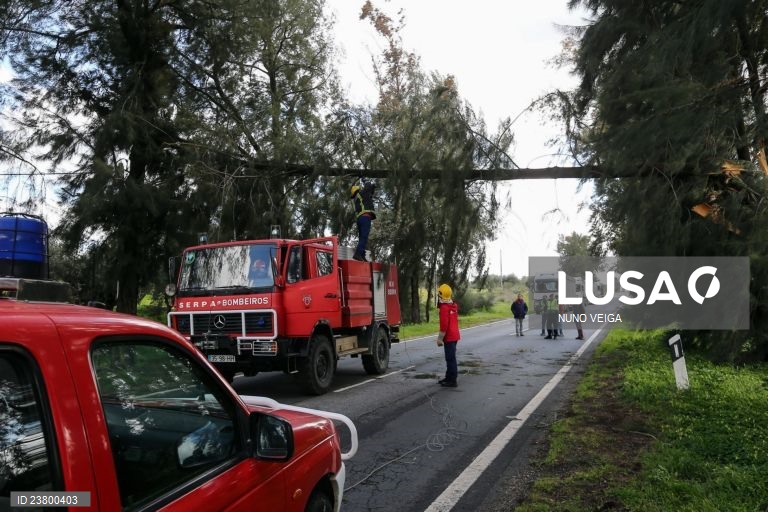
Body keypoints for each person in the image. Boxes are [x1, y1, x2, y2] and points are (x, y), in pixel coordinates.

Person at [436, 283, 460, 388]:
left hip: (449, 336)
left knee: (450, 359)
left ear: (441, 294)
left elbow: (444, 325)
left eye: (439, 294)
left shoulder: (444, 308)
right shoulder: (453, 305)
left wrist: (439, 339)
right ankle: (448, 377)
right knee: (450, 358)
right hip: (455, 335)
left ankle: (452, 380)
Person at [349, 178, 376, 261]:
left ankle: (362, 254)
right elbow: (368, 186)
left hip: (360, 219)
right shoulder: (362, 193)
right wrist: (364, 180)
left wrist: (373, 187)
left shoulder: (357, 198)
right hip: (365, 218)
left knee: (362, 238)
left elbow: (370, 193)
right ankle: (357, 254)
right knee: (364, 237)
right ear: (358, 189)